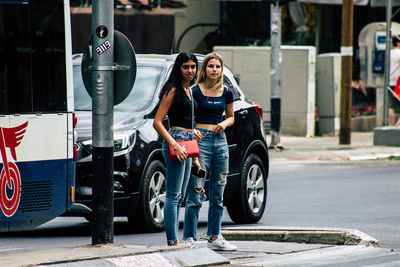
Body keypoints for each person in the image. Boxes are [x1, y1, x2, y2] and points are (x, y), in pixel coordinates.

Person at [183, 52, 237, 251]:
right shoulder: (195, 91)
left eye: (218, 66)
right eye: (211, 66)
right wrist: (193, 131)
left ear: (221, 70)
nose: (214, 69)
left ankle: (215, 236)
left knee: (218, 191)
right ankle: (189, 237)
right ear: (204, 69)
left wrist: (224, 123)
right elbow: (187, 117)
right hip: (201, 142)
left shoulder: (227, 92)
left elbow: (231, 117)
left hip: (220, 141)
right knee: (196, 190)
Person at [153, 52, 199, 246]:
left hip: (188, 141)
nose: (189, 71)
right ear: (178, 68)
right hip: (177, 142)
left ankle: (175, 239)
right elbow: (157, 122)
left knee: (180, 195)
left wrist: (193, 131)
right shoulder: (172, 90)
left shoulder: (189, 89)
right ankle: (172, 241)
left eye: (193, 67)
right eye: (185, 67)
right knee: (173, 194)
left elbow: (185, 117)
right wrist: (173, 144)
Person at [389, 36, 400, 126]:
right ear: (398, 43)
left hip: (390, 82)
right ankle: (398, 124)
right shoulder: (399, 53)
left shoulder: (388, 53)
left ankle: (392, 125)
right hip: (398, 82)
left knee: (391, 106)